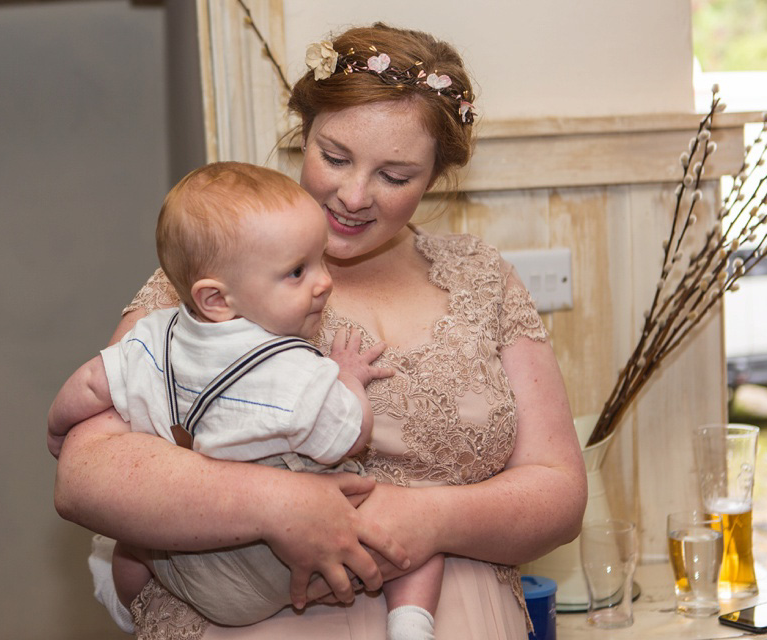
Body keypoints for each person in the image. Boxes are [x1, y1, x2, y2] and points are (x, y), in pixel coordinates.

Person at [51, 22, 587, 640]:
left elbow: (559, 492)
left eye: (395, 176)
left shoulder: (482, 278)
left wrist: (433, 517)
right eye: (333, 157)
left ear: (435, 176)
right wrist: (277, 503)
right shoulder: (222, 273)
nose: (353, 195)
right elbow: (86, 476)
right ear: (302, 135)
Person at [48, 161, 444, 639]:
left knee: (131, 547)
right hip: (279, 566)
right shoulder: (293, 371)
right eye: (298, 272)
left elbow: (92, 382)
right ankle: (411, 624)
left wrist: (57, 428)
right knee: (414, 536)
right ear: (216, 299)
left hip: (183, 563)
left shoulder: (153, 337)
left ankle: (129, 603)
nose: (324, 282)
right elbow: (349, 433)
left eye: (318, 259)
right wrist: (347, 378)